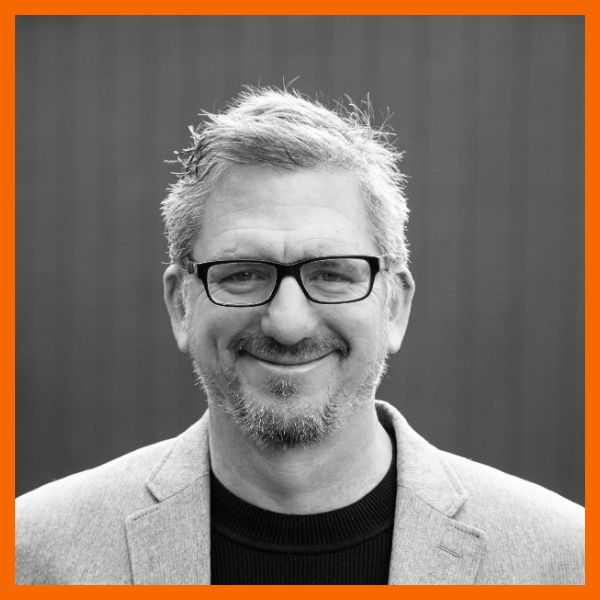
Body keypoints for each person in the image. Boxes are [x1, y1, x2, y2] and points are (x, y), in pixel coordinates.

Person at [16, 87, 584, 585]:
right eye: (243, 274)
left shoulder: (567, 560)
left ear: (394, 305)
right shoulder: (32, 554)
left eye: (331, 274)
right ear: (181, 305)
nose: (288, 324)